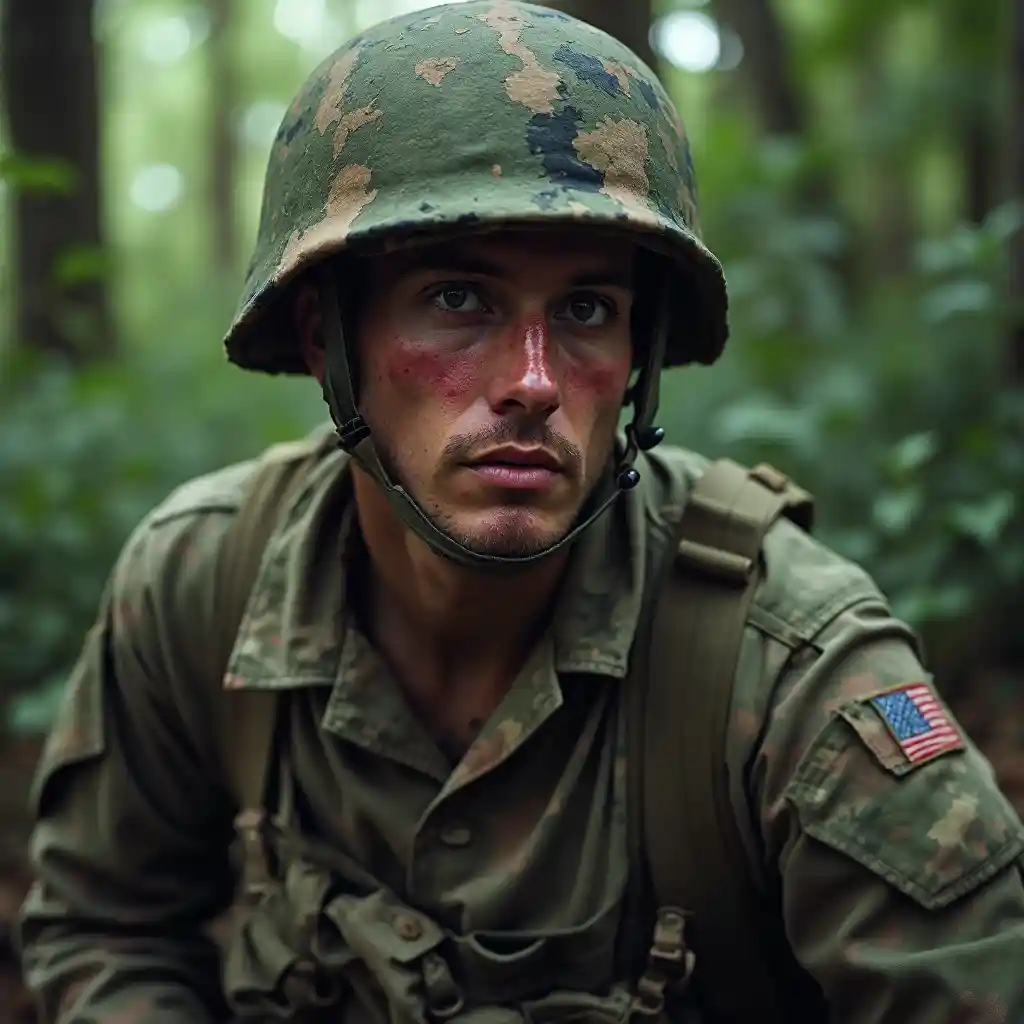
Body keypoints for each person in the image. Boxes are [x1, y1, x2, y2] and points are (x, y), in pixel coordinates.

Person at [16, 2, 1024, 1022]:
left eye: (587, 309)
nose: (534, 383)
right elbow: (107, 927)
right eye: (459, 300)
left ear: (638, 357)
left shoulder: (786, 660)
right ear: (327, 339)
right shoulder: (203, 583)